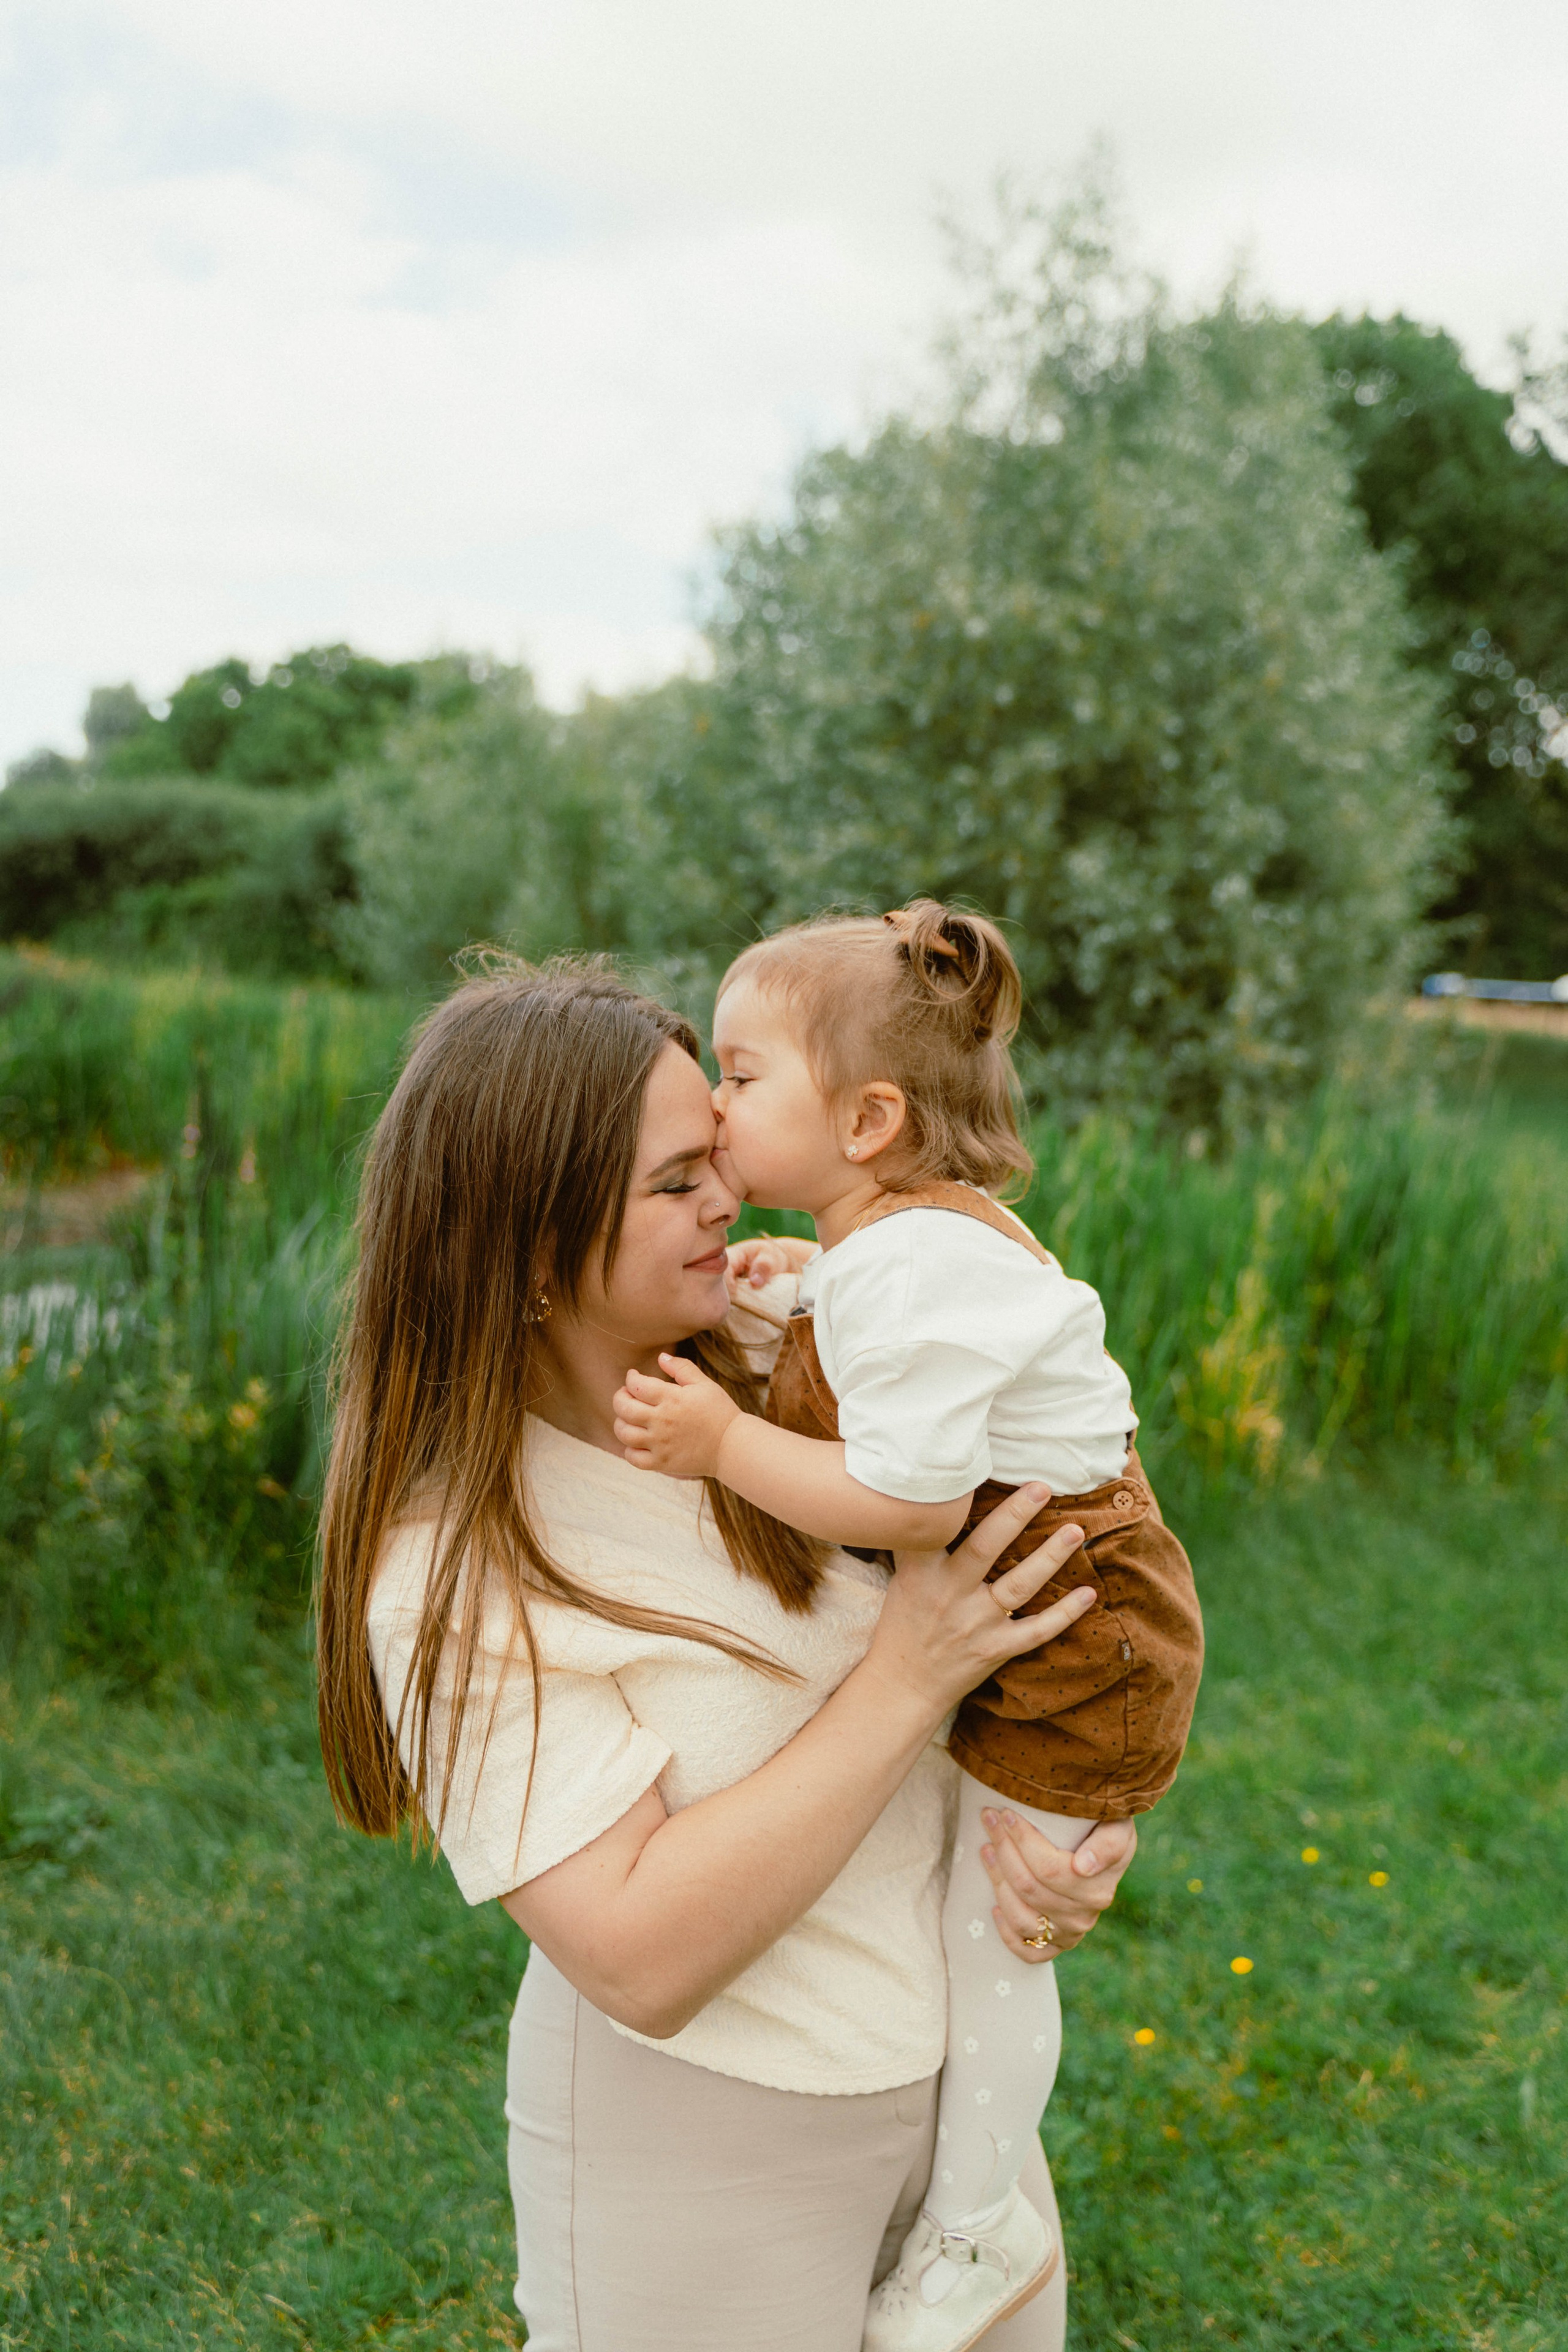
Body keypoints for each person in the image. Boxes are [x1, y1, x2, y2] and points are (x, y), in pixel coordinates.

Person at [314, 956, 1139, 2352]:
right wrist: (907, 1676)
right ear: (524, 1243)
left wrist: (1049, 1839)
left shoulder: (795, 1372)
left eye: (717, 1152)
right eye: (673, 1182)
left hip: (957, 2117)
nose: (729, 1199)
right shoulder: (457, 1571)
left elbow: (1040, 1580)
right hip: (704, 2148)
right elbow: (634, 1956)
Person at [614, 905, 1203, 2352]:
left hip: (1076, 1631)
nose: (714, 1103)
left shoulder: (904, 1267)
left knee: (998, 1921)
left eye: (742, 1080)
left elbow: (906, 1498)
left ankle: (973, 2225)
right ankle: (963, 2204)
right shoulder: (880, 1250)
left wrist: (720, 1443)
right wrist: (798, 1293)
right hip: (1057, 1606)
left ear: (868, 1119)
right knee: (992, 1893)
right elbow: (903, 1344)